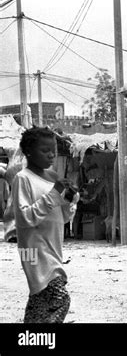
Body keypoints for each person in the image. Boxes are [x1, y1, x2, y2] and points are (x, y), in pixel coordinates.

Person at [7, 127, 78, 323]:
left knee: (39, 300)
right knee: (60, 298)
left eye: (53, 149)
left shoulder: (51, 176)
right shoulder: (23, 178)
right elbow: (23, 218)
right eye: (45, 150)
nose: (51, 154)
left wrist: (69, 200)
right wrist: (55, 194)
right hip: (33, 250)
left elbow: (61, 217)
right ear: (29, 152)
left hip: (52, 247)